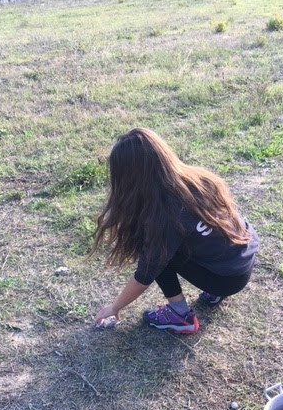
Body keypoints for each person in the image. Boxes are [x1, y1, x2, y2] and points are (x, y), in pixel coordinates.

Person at [91, 128, 259, 334]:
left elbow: (145, 275)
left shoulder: (164, 214)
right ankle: (214, 292)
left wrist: (114, 307)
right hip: (243, 257)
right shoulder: (197, 177)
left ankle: (180, 315)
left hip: (226, 279)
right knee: (175, 243)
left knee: (156, 253)